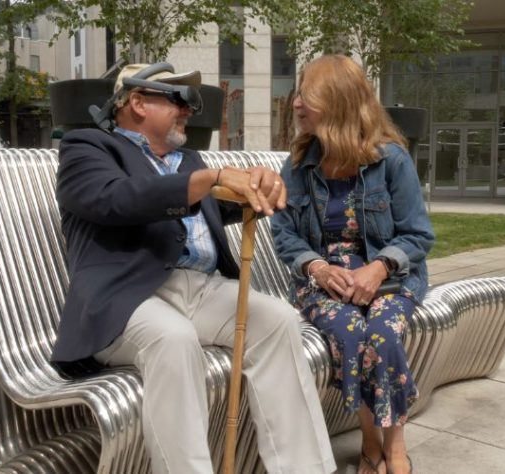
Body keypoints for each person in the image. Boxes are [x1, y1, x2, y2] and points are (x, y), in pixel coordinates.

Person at [51, 62, 336, 474]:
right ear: (136, 102)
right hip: (126, 297)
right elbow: (117, 199)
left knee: (277, 321)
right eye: (180, 99)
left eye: (193, 102)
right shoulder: (88, 148)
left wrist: (258, 186)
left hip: (200, 288)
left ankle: (304, 469)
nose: (190, 110)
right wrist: (211, 177)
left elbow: (218, 203)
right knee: (173, 339)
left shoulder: (187, 160)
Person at [270, 55, 435, 474]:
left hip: (390, 276)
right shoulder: (299, 166)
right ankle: (368, 440)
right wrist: (317, 269)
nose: (296, 104)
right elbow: (284, 233)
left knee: (382, 332)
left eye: (306, 95)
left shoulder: (392, 161)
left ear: (337, 101)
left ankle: (394, 447)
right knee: (349, 330)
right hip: (324, 280)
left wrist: (378, 268)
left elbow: (417, 235)